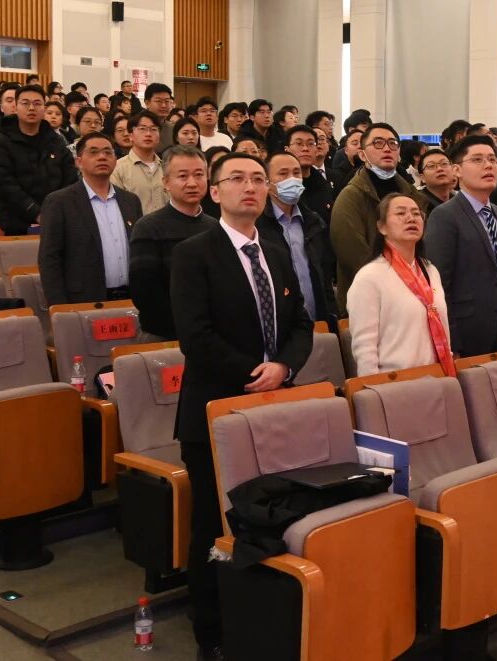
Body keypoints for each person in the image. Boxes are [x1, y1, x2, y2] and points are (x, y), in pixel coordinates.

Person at [170, 152, 313, 657]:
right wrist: (256, 371)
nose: (249, 187)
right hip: (215, 409)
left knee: (266, 517)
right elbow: (195, 336)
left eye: (258, 179)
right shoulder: (194, 253)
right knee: (214, 523)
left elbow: (301, 322)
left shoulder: (275, 250)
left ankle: (258, 616)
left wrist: (284, 367)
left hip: (273, 406)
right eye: (236, 179)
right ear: (215, 192)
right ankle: (210, 629)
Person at [425, 135, 497, 358]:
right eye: (477, 160)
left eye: (492, 160)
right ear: (457, 170)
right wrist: (453, 343)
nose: (488, 165)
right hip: (467, 334)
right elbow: (438, 286)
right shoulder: (445, 216)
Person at [347, 194, 453, 376]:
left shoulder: (430, 270)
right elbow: (364, 348)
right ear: (381, 227)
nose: (411, 218)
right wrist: (374, 387)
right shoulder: (369, 277)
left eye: (416, 213)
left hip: (438, 376)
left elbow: (443, 328)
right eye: (401, 213)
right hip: (396, 382)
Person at [37, 132, 143, 306]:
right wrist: (60, 307)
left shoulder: (130, 201)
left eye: (108, 152)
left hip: (131, 299)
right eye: (93, 152)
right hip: (83, 300)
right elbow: (49, 259)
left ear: (115, 160)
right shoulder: (59, 202)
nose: (102, 157)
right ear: (78, 162)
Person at [128, 145, 218, 342]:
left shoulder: (215, 227)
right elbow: (145, 293)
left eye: (199, 175)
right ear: (166, 182)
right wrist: (189, 325)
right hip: (164, 334)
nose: (192, 183)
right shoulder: (148, 227)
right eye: (183, 176)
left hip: (210, 335)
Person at [330, 123, 423, 309]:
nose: (387, 149)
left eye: (392, 143)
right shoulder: (351, 196)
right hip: (369, 299)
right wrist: (396, 287)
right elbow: (353, 256)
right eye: (378, 143)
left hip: (415, 294)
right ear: (362, 154)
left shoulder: (411, 194)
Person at [257, 151, 339, 331]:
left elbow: (324, 275)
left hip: (317, 321)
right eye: (283, 173)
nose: (292, 179)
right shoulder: (257, 227)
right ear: (267, 182)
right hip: (280, 326)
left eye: (296, 173)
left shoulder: (313, 222)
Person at [0, 85, 77, 235]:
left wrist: (55, 210)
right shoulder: (1, 141)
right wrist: (35, 212)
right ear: (16, 107)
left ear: (44, 108)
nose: (31, 108)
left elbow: (70, 178)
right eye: (25, 103)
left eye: (37, 103)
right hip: (17, 225)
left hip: (56, 219)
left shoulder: (56, 141)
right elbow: (3, 183)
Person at [109, 110, 166, 215]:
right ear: (131, 135)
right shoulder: (117, 168)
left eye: (153, 129)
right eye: (142, 129)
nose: (148, 134)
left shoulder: (168, 167)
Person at [284, 125, 333, 224]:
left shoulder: (323, 184)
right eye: (299, 143)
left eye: (311, 144)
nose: (305, 148)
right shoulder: (282, 185)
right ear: (287, 149)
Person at [419, 147, 455, 213]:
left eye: (444, 163)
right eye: (431, 166)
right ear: (422, 178)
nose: (439, 169)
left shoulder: (461, 201)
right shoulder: (419, 204)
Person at [142, 83, 177, 149]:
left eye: (167, 101)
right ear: (147, 103)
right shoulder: (136, 126)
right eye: (159, 101)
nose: (164, 105)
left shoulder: (174, 129)